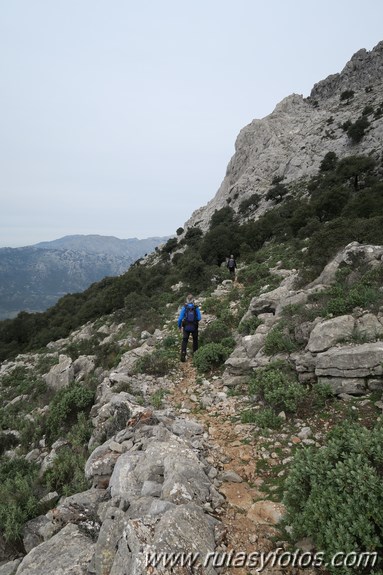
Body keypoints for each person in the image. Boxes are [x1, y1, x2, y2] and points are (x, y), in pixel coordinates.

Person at [177, 294, 201, 362]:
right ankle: (196, 355)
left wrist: (179, 326)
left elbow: (180, 319)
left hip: (186, 327)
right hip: (194, 327)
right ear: (193, 299)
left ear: (187, 300)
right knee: (195, 340)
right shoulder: (196, 307)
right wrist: (195, 320)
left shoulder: (185, 307)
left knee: (184, 340)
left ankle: (183, 355)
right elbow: (199, 318)